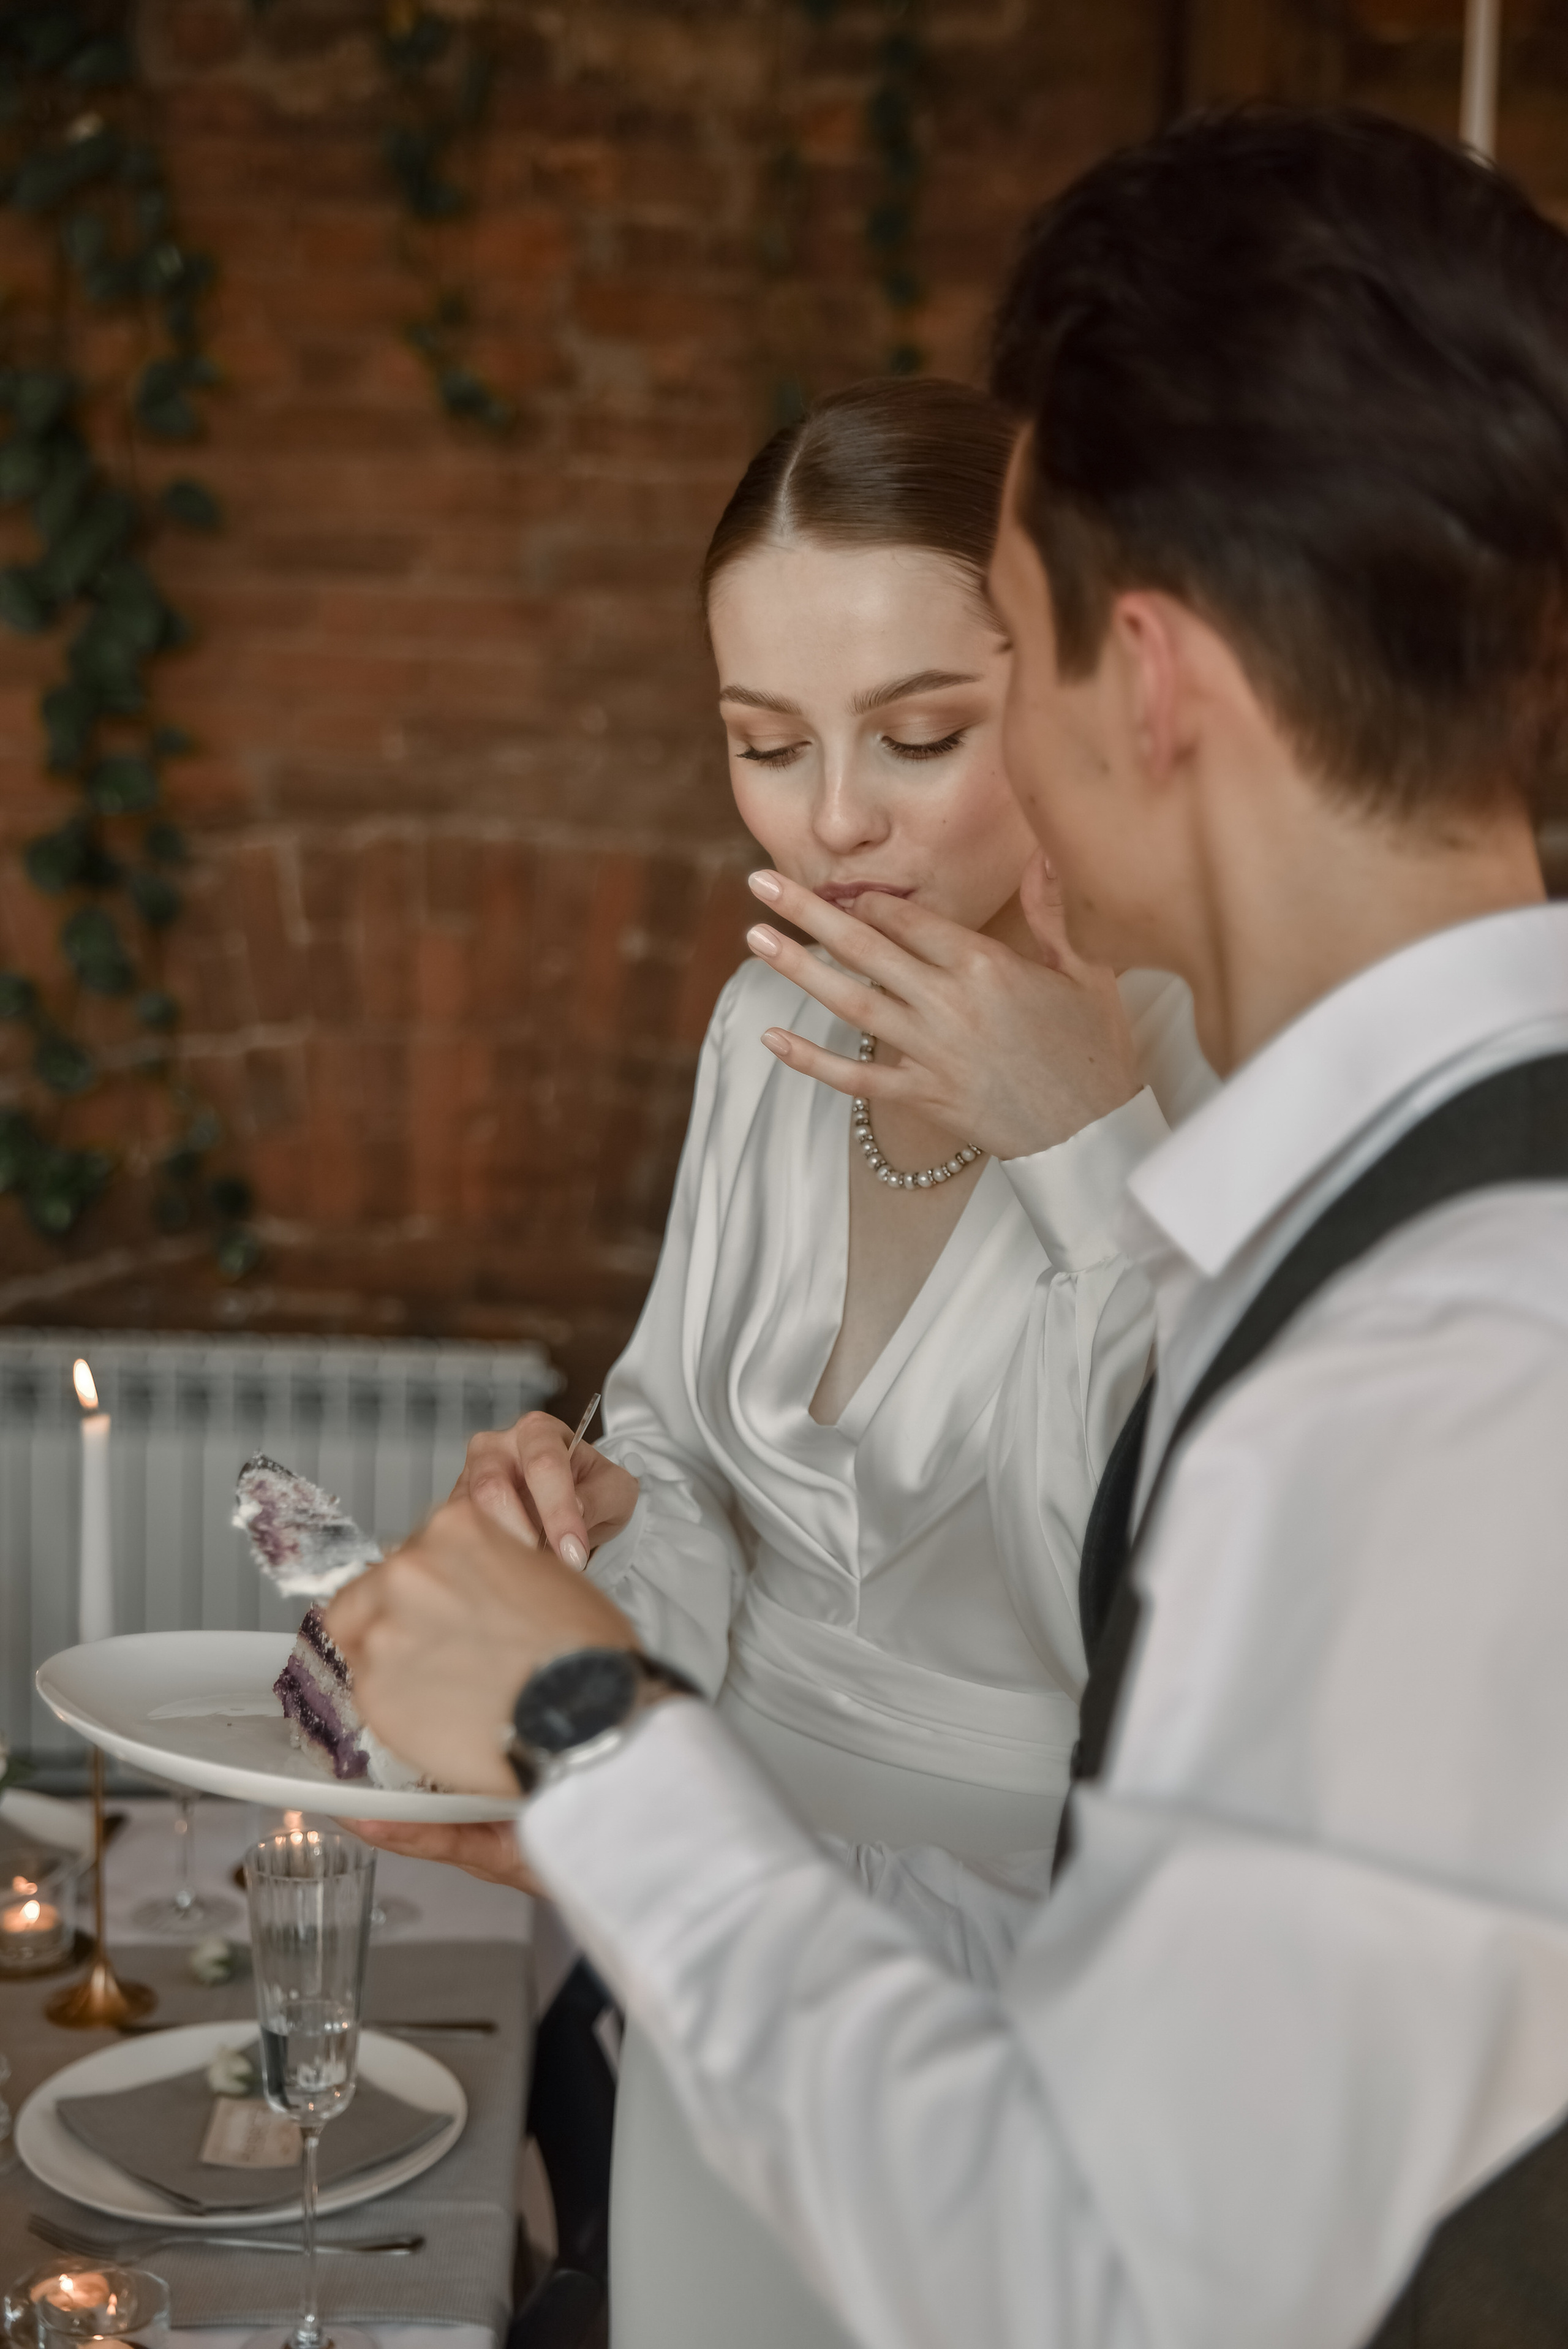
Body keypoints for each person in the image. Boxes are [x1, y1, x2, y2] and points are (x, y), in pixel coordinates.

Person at [334, 108, 1568, 2349]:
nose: (846, 811)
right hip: (801, 2003)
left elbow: (1095, 2266)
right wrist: (617, 1731)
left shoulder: (1433, 1359)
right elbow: (1133, 2019)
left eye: (962, 689)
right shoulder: (1419, 1232)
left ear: (1138, 680)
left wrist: (600, 1747)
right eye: (770, 738)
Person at [356, 378, 1212, 2348]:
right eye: (765, 743)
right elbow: (675, 1432)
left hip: (1038, 1991)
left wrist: (1093, 1147)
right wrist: (584, 1529)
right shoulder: (767, 1025)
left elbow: (1200, 1597)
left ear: (1084, 676)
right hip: (714, 1917)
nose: (832, 818)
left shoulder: (1203, 1059)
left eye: (919, 734)